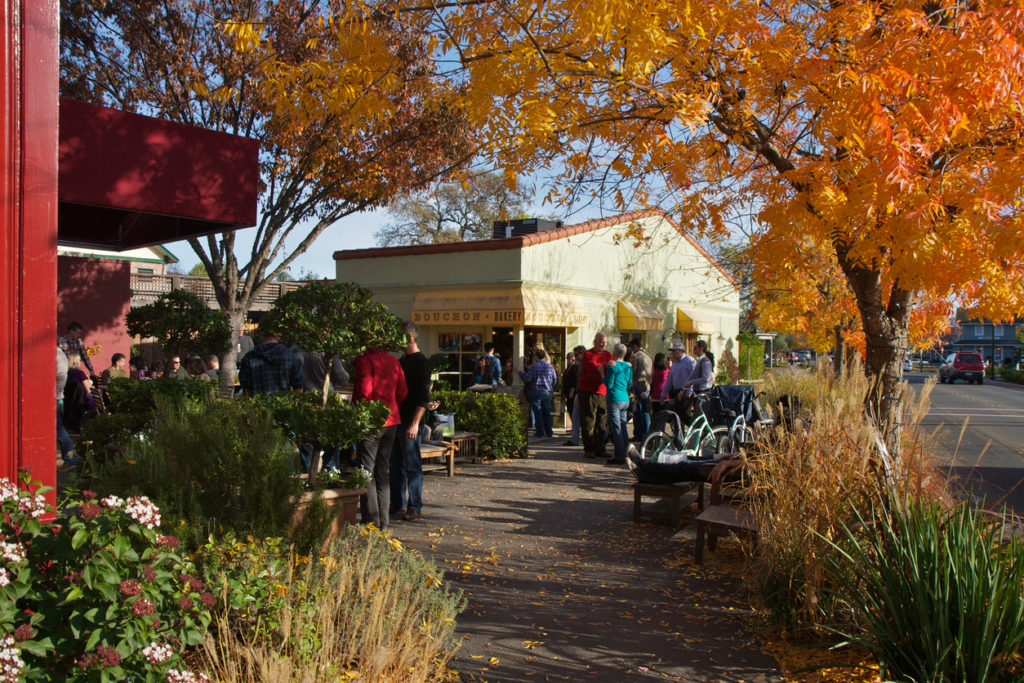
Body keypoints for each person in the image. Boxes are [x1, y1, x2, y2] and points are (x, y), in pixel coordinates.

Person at [353, 337, 408, 528]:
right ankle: (383, 522)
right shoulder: (393, 361)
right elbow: (402, 391)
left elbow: (364, 392)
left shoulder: (364, 361)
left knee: (366, 471)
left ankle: (371, 520)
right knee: (382, 471)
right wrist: (390, 407)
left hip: (371, 421)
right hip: (391, 419)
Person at [390, 321, 432, 521]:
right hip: (398, 418)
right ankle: (398, 502)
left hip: (409, 421)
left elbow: (423, 396)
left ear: (411, 338)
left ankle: (415, 505)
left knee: (412, 464)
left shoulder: (420, 362)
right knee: (396, 463)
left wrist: (415, 423)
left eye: (401, 337)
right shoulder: (403, 360)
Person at [295, 348, 350, 473]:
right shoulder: (328, 351)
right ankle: (329, 478)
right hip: (327, 404)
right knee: (331, 446)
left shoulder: (295, 351)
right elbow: (343, 379)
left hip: (306, 403)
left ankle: (307, 480)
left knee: (307, 448)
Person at [577, 332, 613, 459]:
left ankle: (600, 448)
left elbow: (612, 368)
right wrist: (602, 368)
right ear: (595, 342)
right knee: (588, 420)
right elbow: (591, 368)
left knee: (602, 422)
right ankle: (590, 448)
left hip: (602, 391)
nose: (603, 345)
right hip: (588, 391)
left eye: (605, 343)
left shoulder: (608, 355)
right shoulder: (587, 354)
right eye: (601, 342)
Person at [238, 332, 304, 395]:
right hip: (284, 404)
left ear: (262, 334)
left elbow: (246, 390)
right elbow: (298, 387)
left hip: (257, 404)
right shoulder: (291, 356)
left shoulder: (249, 357)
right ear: (279, 335)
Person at [602, 343, 633, 466]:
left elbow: (609, 384)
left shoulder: (612, 366)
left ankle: (620, 456)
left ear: (614, 353)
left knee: (616, 428)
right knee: (623, 427)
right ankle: (628, 452)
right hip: (625, 399)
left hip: (614, 398)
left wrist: (601, 375)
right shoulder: (627, 367)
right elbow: (630, 384)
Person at [519, 348, 558, 438]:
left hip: (535, 391)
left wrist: (520, 372)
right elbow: (555, 379)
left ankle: (540, 432)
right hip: (546, 391)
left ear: (536, 357)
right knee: (547, 411)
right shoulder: (549, 366)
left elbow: (527, 378)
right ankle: (549, 432)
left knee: (538, 412)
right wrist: (550, 387)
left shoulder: (534, 366)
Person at [63, 352, 95, 432]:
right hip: (80, 402)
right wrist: (90, 382)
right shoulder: (80, 373)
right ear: (76, 362)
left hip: (68, 401)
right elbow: (88, 389)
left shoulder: (67, 373)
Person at [56, 347, 78, 465]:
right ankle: (70, 458)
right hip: (56, 396)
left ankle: (71, 458)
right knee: (58, 430)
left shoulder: (56, 354)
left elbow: (61, 377)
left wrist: (55, 394)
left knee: (58, 430)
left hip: (54, 398)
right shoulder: (58, 353)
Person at [629, 339, 653, 442]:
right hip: (647, 385)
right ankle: (647, 434)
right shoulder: (649, 356)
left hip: (638, 386)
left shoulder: (636, 357)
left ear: (634, 346)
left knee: (637, 412)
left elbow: (632, 372)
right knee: (646, 411)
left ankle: (639, 434)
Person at [660, 341, 695, 405]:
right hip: (676, 391)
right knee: (676, 413)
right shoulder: (675, 363)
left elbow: (693, 376)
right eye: (672, 351)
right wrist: (663, 394)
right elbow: (669, 380)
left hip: (685, 392)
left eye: (674, 351)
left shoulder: (689, 361)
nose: (672, 353)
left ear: (680, 350)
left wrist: (689, 391)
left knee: (685, 413)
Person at [561, 349, 581, 446]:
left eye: (571, 359)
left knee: (574, 413)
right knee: (571, 411)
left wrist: (572, 390)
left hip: (572, 393)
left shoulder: (575, 367)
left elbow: (575, 380)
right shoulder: (567, 369)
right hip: (568, 393)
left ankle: (576, 433)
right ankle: (575, 431)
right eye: (568, 359)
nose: (569, 361)